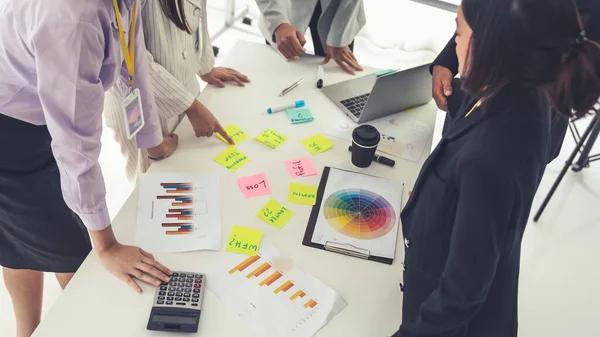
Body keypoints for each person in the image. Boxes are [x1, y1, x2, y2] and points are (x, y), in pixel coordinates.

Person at [393, 0, 600, 336]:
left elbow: (460, 295)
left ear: (490, 46)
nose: (454, 43)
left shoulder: (491, 157)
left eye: (459, 32)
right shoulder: (510, 93)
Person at [0, 1, 178, 336]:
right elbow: (75, 142)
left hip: (31, 113)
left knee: (24, 240)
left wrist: (153, 143)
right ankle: (31, 330)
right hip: (9, 134)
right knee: (76, 257)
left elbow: (133, 68)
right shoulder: (73, 16)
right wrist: (107, 245)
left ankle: (26, 331)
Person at [105, 0, 250, 181]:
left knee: (191, 176)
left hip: (183, 90)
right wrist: (190, 106)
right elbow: (128, 58)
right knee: (156, 187)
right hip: (141, 106)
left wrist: (205, 66)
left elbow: (197, 11)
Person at [255, 0, 365, 74]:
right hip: (284, 6)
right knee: (281, 73)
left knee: (336, 75)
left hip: (338, 6)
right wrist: (278, 23)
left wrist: (339, 38)